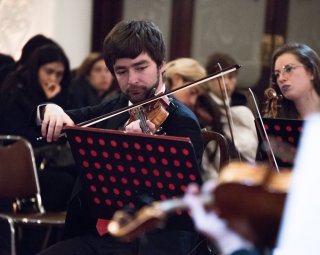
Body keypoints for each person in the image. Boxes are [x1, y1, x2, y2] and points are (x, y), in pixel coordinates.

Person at [37, 20, 204, 255]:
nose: (132, 80)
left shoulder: (182, 121)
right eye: (122, 71)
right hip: (101, 236)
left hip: (152, 241)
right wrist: (51, 108)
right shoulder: (115, 107)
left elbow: (179, 201)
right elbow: (67, 118)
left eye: (141, 67)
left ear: (161, 65)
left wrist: (142, 152)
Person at [0, 44, 75, 212]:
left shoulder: (60, 94)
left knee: (79, 178)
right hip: (18, 165)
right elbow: (19, 135)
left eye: (59, 74)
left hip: (45, 161)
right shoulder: (15, 93)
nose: (54, 79)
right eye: (49, 72)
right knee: (65, 182)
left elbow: (63, 130)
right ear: (36, 70)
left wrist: (56, 101)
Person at [196, 53, 258, 179]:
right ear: (208, 79)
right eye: (220, 78)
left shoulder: (245, 103)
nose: (227, 83)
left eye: (231, 77)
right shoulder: (201, 106)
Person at [263, 43, 320, 119]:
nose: (281, 79)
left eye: (289, 69)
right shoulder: (278, 118)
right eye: (277, 74)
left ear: (311, 72)